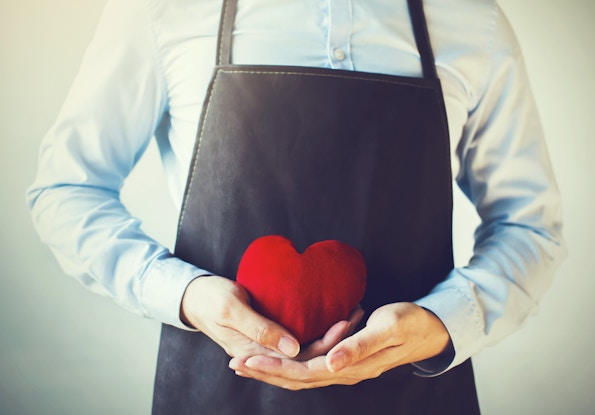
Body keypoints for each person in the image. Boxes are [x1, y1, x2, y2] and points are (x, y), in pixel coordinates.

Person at [27, 0, 566, 413]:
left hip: (413, 394)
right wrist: (185, 295)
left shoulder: (472, 21)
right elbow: (67, 189)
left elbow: (529, 226)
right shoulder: (166, 9)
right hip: (217, 393)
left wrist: (441, 322)